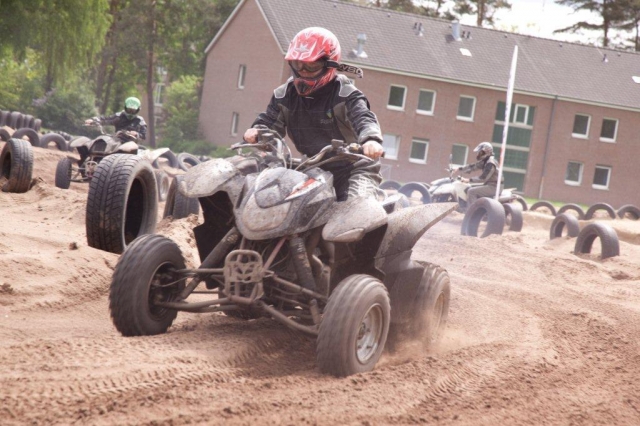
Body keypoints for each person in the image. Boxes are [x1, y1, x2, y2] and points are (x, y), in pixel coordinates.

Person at [243, 27, 384, 201]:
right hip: (314, 167)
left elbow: (364, 118)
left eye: (311, 66)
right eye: (298, 64)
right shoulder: (284, 95)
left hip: (354, 168)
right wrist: (258, 131)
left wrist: (371, 139)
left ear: (329, 65)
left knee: (356, 210)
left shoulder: (347, 95)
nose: (302, 71)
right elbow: (268, 122)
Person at [457, 142, 504, 206]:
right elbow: (474, 166)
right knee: (468, 187)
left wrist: (468, 180)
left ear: (486, 152)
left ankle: (473, 212)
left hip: (494, 187)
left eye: (480, 152)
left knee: (471, 191)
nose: (478, 154)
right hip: (490, 184)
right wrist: (459, 169)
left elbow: (483, 178)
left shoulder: (490, 163)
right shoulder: (486, 161)